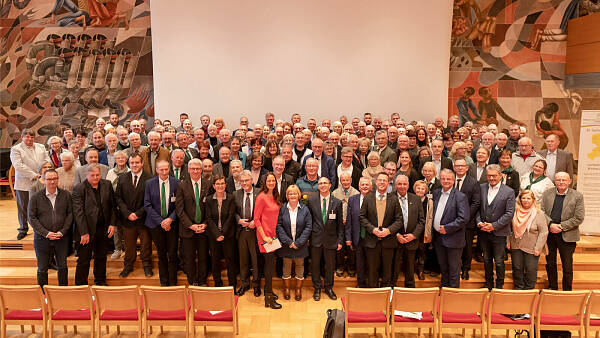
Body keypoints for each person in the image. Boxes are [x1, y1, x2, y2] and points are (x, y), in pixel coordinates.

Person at [72, 164, 117, 285]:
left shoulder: (107, 184)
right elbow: (78, 213)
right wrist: (84, 232)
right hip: (86, 229)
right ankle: (81, 284)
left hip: (103, 228)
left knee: (101, 257)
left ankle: (100, 281)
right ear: (86, 175)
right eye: (93, 175)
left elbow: (113, 206)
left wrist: (112, 224)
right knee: (84, 259)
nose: (96, 177)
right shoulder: (79, 188)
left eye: (98, 175)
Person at [28, 169, 72, 287]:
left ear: (58, 180)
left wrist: (62, 232)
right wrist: (46, 233)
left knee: (62, 267)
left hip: (61, 238)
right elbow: (31, 218)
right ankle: (43, 295)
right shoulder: (36, 197)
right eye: (49, 179)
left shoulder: (66, 195)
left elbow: (70, 215)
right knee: (42, 269)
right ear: (43, 180)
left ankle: (63, 293)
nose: (52, 182)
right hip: (42, 239)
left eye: (54, 179)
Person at [542, 172, 584, 291]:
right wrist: (550, 224)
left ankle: (567, 290)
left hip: (567, 235)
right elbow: (542, 211)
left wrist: (560, 226)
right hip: (550, 234)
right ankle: (552, 287)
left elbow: (579, 217)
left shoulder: (577, 196)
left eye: (564, 180)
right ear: (554, 181)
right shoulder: (547, 194)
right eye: (558, 179)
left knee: (567, 266)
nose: (561, 182)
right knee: (550, 263)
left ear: (569, 181)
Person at [476, 164, 516, 290]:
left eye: (494, 175)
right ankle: (488, 284)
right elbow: (476, 208)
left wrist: (494, 226)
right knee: (486, 259)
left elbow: (509, 214)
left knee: (498, 261)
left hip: (499, 232)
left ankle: (499, 286)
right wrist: (479, 222)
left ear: (500, 175)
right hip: (483, 231)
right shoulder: (481, 188)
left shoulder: (509, 191)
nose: (491, 178)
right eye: (489, 176)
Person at [360, 173, 403, 287]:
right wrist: (372, 229)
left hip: (388, 241)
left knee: (387, 272)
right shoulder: (368, 198)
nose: (382, 182)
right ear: (376, 182)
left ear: (388, 183)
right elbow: (362, 217)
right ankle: (373, 297)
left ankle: (385, 297)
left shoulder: (394, 199)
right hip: (372, 240)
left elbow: (399, 220)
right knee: (372, 271)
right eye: (380, 180)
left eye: (385, 180)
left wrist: (388, 231)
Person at [115, 153, 153, 278]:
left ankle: (147, 266)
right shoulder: (122, 178)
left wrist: (138, 214)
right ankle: (128, 266)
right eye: (132, 163)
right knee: (129, 245)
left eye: (137, 162)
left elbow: (151, 200)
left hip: (144, 219)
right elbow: (118, 198)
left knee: (145, 245)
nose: (134, 165)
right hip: (127, 219)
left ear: (142, 163)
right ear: (128, 164)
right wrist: (127, 213)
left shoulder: (150, 179)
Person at [175, 159, 210, 286]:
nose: (195, 171)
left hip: (203, 229)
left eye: (198, 168)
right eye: (193, 168)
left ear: (201, 170)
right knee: (189, 258)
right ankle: (193, 281)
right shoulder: (182, 185)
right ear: (188, 170)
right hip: (187, 229)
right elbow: (179, 209)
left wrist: (205, 224)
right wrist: (191, 225)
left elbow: (210, 208)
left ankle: (202, 281)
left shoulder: (208, 184)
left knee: (203, 257)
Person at [307, 177, 343, 301]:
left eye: (325, 183)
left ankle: (328, 288)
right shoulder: (311, 200)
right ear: (318, 186)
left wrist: (340, 240)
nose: (322, 185)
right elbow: (309, 221)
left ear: (330, 185)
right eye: (320, 183)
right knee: (315, 265)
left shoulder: (337, 202)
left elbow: (340, 225)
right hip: (315, 239)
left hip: (331, 240)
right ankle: (317, 288)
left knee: (330, 266)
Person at [431, 169, 469, 288]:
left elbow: (463, 218)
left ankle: (453, 294)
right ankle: (444, 290)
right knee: (443, 266)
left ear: (453, 180)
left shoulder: (460, 196)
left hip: (454, 239)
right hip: (438, 238)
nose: (446, 181)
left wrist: (447, 228)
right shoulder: (436, 193)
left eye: (449, 179)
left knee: (453, 269)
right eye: (443, 178)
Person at [144, 160, 179, 286]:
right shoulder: (149, 183)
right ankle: (164, 282)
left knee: (173, 253)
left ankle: (173, 282)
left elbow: (179, 205)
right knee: (161, 254)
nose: (164, 172)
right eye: (161, 170)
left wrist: (170, 219)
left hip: (172, 224)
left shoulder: (176, 182)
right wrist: (161, 221)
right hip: (155, 225)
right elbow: (147, 205)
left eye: (166, 169)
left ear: (169, 169)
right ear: (157, 170)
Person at [10, 129, 50, 240]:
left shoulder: (41, 147)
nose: (29, 139)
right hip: (24, 182)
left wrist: (43, 172)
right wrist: (35, 174)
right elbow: (18, 166)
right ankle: (23, 228)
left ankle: (41, 228)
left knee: (41, 206)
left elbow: (47, 160)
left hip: (41, 182)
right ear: (22, 137)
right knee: (23, 207)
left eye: (31, 137)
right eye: (27, 137)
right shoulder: (16, 149)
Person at [276, 185, 313, 301]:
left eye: (295, 193)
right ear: (287, 196)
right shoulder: (282, 209)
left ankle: (298, 289)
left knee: (300, 266)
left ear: (299, 195)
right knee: (286, 265)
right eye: (290, 194)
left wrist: (299, 242)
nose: (292, 195)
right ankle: (286, 288)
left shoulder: (305, 209)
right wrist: (288, 242)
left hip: (300, 245)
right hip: (287, 244)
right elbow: (279, 226)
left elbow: (308, 227)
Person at [508, 190, 548, 290]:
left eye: (528, 198)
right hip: (516, 245)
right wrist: (508, 241)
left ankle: (529, 290)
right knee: (517, 268)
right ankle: (519, 288)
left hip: (532, 247)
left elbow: (544, 232)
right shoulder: (514, 211)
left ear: (533, 200)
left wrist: (538, 248)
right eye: (523, 198)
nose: (526, 200)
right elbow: (509, 228)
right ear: (520, 199)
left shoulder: (539, 214)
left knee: (530, 269)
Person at [254, 173, 283, 309]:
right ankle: (268, 299)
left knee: (271, 265)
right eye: (269, 180)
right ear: (264, 182)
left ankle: (269, 291)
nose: (271, 182)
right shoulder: (261, 197)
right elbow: (256, 219)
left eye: (273, 180)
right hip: (266, 237)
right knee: (269, 267)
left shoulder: (275, 196)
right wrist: (264, 236)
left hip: (274, 236)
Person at [205, 175, 239, 289]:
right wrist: (217, 234)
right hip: (213, 236)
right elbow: (208, 219)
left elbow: (231, 217)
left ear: (225, 185)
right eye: (217, 184)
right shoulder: (209, 199)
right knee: (215, 261)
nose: (220, 186)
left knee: (230, 260)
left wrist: (222, 234)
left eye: (222, 183)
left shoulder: (231, 198)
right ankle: (218, 284)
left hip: (228, 235)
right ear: (214, 186)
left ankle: (232, 285)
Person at [391, 175, 425, 288]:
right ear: (395, 185)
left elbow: (421, 221)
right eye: (399, 184)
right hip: (394, 240)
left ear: (408, 185)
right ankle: (391, 290)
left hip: (411, 240)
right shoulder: (390, 198)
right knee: (393, 268)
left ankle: (410, 292)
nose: (402, 186)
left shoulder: (416, 199)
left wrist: (414, 235)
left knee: (410, 269)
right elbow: (386, 220)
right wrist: (396, 235)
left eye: (404, 184)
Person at [234, 171, 261, 296]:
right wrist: (238, 220)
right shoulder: (235, 194)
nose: (244, 183)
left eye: (247, 180)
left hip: (255, 232)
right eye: (242, 181)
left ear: (252, 181)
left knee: (256, 261)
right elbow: (232, 211)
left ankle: (256, 285)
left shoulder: (260, 192)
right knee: (243, 260)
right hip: (241, 233)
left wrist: (256, 221)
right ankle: (244, 285)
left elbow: (263, 211)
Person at [453, 159, 481, 281]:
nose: (460, 168)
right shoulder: (449, 180)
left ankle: (465, 269)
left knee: (467, 246)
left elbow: (476, 202)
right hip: (451, 221)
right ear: (454, 167)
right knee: (453, 246)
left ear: (467, 168)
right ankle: (454, 268)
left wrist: (465, 217)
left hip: (467, 221)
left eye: (462, 166)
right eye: (457, 166)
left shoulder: (474, 182)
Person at [346, 177, 373, 287]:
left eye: (367, 185)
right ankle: (360, 284)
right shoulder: (353, 199)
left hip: (372, 237)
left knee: (371, 263)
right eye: (362, 184)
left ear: (371, 187)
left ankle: (371, 285)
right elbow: (349, 220)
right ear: (359, 186)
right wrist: (348, 238)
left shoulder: (375, 198)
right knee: (359, 263)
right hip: (357, 236)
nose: (365, 186)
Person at [332, 172, 359, 277]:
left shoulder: (356, 193)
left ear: (351, 180)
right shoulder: (335, 193)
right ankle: (340, 266)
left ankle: (351, 266)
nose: (345, 182)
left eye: (347, 180)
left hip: (352, 225)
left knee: (351, 247)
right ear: (340, 181)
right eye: (343, 180)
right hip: (339, 224)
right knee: (340, 247)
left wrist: (348, 220)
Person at [105, 150, 130, 260]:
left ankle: (129, 249)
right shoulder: (110, 172)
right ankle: (118, 249)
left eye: (123, 158)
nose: (120, 160)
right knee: (115, 228)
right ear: (115, 160)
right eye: (118, 158)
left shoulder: (130, 171)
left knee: (127, 228)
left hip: (127, 204)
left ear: (126, 159)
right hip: (114, 204)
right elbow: (107, 188)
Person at [414, 180, 435, 280]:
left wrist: (428, 233)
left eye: (422, 189)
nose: (420, 190)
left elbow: (430, 217)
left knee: (422, 251)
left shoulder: (429, 201)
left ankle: (420, 270)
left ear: (425, 190)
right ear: (415, 189)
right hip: (412, 230)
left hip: (423, 230)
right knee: (412, 251)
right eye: (418, 188)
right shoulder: (411, 199)